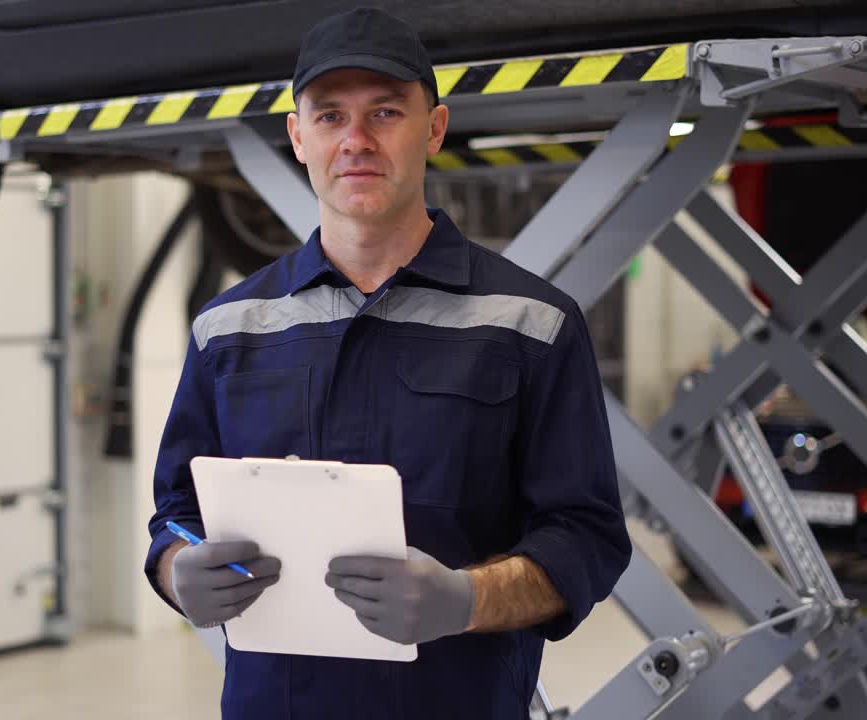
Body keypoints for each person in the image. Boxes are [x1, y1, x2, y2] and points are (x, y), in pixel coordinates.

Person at [144, 7, 631, 718]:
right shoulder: (229, 328)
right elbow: (177, 514)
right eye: (332, 117)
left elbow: (586, 538)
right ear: (298, 136)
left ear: (433, 128)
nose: (357, 141)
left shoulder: (530, 324)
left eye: (385, 112)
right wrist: (176, 568)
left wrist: (465, 600)